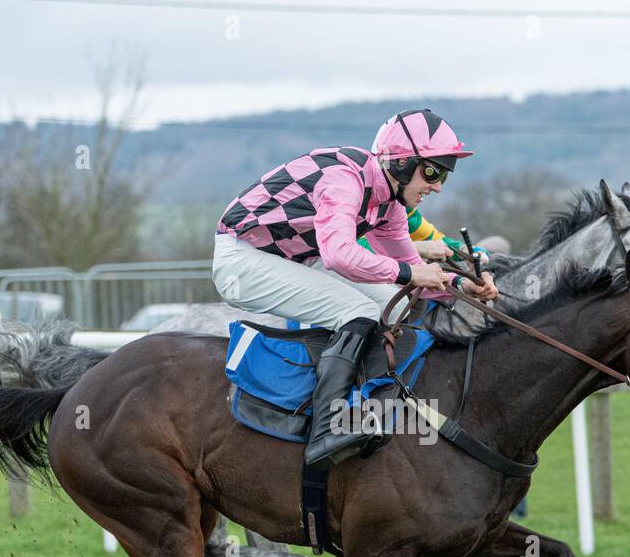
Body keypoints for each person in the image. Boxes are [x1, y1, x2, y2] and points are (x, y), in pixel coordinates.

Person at [212, 108, 498, 470]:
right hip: (242, 258)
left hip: (293, 258)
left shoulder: (388, 205)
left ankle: (366, 404)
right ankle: (325, 431)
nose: (438, 185)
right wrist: (413, 273)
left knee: (396, 307)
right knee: (358, 310)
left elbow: (411, 274)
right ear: (401, 162)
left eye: (443, 174)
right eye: (432, 171)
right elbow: (339, 256)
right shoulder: (344, 179)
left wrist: (461, 285)